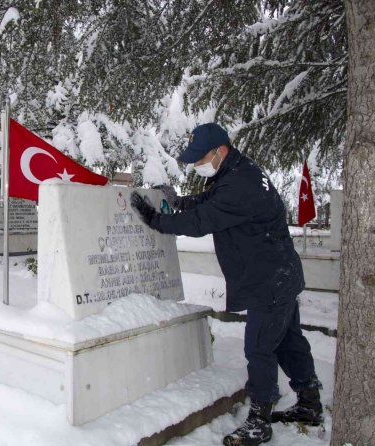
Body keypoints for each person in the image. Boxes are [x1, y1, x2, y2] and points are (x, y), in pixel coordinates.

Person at [130, 123, 322, 446]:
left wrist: (155, 220)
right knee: (288, 341)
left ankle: (260, 422)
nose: (195, 165)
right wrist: (179, 202)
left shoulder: (240, 183)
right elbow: (209, 203)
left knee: (259, 348)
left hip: (269, 281)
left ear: (220, 151)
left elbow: (202, 220)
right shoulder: (235, 173)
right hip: (279, 274)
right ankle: (309, 403)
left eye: (199, 158)